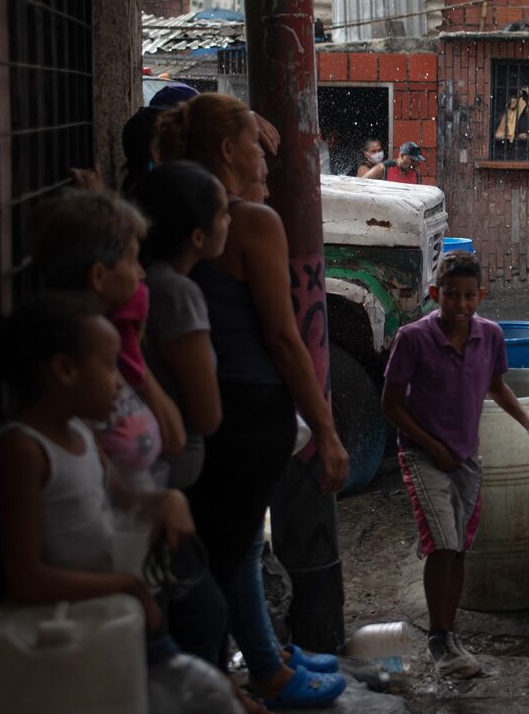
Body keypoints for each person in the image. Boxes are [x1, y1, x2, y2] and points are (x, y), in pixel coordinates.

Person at [155, 93, 349, 709]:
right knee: (228, 554)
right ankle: (252, 677)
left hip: (195, 405)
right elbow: (284, 339)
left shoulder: (161, 207)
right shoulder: (252, 224)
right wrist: (326, 428)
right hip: (249, 412)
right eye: (254, 144)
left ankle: (264, 661)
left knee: (233, 547)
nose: (267, 155)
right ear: (226, 152)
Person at [0, 294, 243, 712]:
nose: (119, 381)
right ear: (64, 370)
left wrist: (168, 499)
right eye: (109, 364)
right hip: (78, 625)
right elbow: (24, 578)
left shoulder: (80, 432)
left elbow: (122, 498)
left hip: (113, 609)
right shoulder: (22, 452)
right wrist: (128, 586)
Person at [381, 252, 529, 679]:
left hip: (466, 457)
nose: (461, 306)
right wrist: (430, 444)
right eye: (451, 296)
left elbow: (497, 387)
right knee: (442, 544)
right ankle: (438, 636)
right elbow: (389, 404)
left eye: (468, 296)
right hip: (422, 454)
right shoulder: (413, 338)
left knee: (458, 547)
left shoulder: (490, 335)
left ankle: (449, 632)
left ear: (480, 295)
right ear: (433, 295)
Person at [28, 190, 185, 487]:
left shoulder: (114, 346)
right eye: (133, 260)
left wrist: (132, 353)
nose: (140, 274)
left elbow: (174, 438)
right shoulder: (76, 370)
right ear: (99, 277)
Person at [130, 162, 231, 493]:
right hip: (169, 478)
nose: (230, 221)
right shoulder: (176, 294)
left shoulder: (153, 281)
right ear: (198, 236)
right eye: (223, 215)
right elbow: (207, 416)